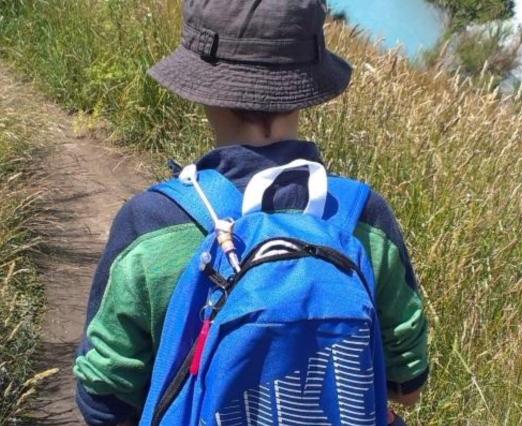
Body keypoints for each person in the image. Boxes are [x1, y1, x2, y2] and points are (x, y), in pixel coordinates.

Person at [73, 0, 429, 424]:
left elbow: (105, 397)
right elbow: (407, 388)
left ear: (201, 89)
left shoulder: (151, 221)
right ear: (308, 86)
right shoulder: (360, 215)